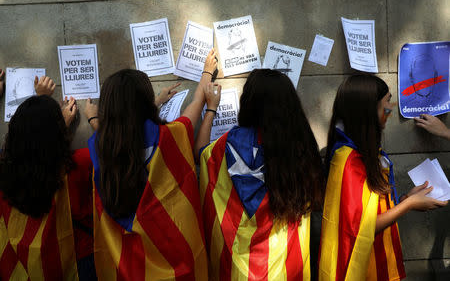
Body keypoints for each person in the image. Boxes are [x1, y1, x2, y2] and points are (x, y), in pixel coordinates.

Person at [84, 49, 220, 280]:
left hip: (130, 268)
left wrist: (93, 120)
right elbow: (197, 101)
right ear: (145, 102)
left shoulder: (98, 146)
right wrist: (207, 72)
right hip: (178, 264)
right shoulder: (171, 137)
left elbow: (121, 140)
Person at [198, 69, 325, 280]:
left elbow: (201, 153)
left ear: (248, 102)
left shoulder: (226, 145)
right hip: (287, 268)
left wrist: (211, 107)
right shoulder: (300, 148)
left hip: (236, 270)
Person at [319, 75, 448, 281]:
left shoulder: (367, 151)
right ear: (368, 111)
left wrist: (406, 199)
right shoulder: (348, 160)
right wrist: (409, 205)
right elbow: (361, 227)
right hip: (359, 269)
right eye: (386, 101)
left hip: (380, 261)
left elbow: (373, 209)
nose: (391, 108)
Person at [0, 76, 95, 280]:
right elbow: (115, 149)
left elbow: (33, 140)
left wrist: (41, 103)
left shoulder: (3, 171)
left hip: (24, 265)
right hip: (79, 264)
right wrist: (92, 119)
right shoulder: (79, 164)